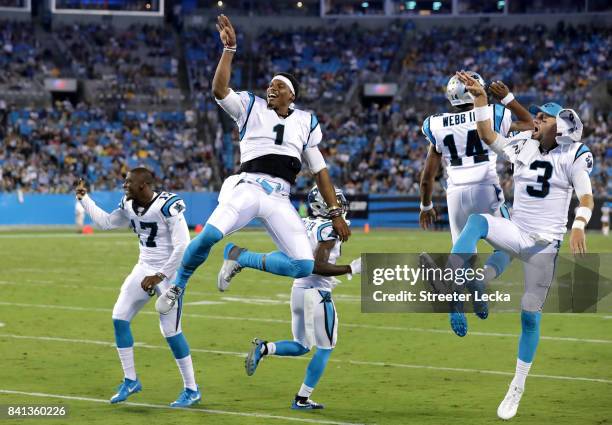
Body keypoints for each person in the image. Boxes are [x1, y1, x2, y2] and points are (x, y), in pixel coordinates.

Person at [156, 15, 349, 314]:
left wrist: (335, 212)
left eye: (278, 86)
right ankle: (177, 285)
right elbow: (219, 90)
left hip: (279, 197)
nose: (271, 88)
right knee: (208, 235)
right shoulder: (250, 106)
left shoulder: (306, 121)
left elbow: (320, 172)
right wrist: (229, 51)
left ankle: (240, 257)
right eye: (270, 84)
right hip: (249, 186)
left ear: (292, 95)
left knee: (303, 265)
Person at [453, 71, 594, 420]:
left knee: (530, 318)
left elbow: (587, 197)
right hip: (517, 230)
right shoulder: (525, 144)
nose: (534, 121)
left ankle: (517, 386)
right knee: (477, 223)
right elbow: (487, 134)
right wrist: (480, 99)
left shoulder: (574, 154)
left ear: (559, 130)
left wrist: (579, 225)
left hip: (545, 244)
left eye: (543, 118)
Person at [419, 72, 534, 336]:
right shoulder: (492, 113)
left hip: (455, 193)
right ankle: (480, 283)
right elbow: (529, 124)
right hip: (486, 186)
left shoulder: (435, 124)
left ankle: (458, 294)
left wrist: (425, 206)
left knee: (464, 252)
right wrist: (509, 98)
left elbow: (427, 177)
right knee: (511, 246)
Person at [76, 168, 201, 407]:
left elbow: (184, 245)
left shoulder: (167, 206)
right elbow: (105, 223)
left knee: (171, 332)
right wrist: (84, 198)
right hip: (144, 267)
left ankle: (192, 389)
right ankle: (131, 380)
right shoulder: (129, 204)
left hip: (169, 274)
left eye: (129, 182)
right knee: (119, 317)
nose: (124, 186)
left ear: (143, 185)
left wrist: (160, 275)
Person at [240, 186, 361, 410]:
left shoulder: (304, 222)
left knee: (302, 345)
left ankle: (264, 349)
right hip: (317, 292)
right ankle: (302, 399)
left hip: (298, 290)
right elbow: (318, 266)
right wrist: (350, 269)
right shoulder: (328, 229)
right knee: (325, 348)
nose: (339, 205)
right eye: (334, 201)